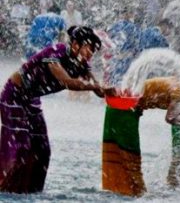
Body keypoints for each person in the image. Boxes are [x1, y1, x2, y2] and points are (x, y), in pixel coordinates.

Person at [0, 26, 114, 193]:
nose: (91, 54)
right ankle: (5, 188)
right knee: (21, 148)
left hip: (31, 99)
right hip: (14, 95)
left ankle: (32, 191)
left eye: (94, 51)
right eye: (89, 48)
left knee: (43, 150)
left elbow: (97, 90)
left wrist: (111, 91)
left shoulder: (82, 64)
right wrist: (97, 86)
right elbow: (67, 82)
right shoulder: (55, 53)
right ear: (75, 45)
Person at [102, 75, 180, 196]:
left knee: (122, 161)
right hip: (124, 109)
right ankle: (132, 194)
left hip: (117, 107)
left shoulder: (178, 82)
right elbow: (170, 118)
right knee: (131, 164)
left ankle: (118, 191)